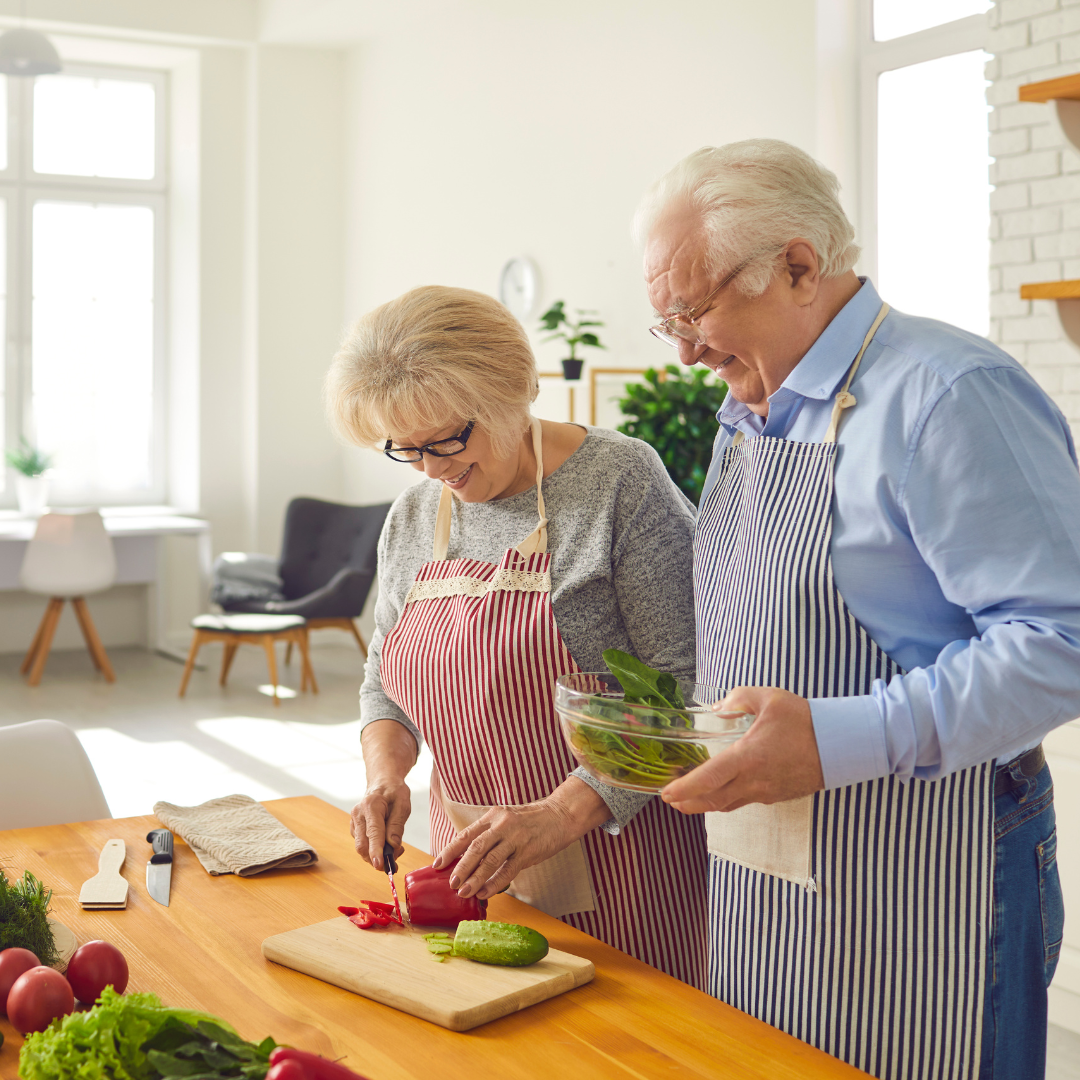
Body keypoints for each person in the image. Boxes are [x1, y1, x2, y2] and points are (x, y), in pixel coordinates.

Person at [632, 140, 1073, 1080]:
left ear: (798, 266)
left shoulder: (949, 394)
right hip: (769, 863)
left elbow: (1060, 642)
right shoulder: (757, 406)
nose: (683, 349)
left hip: (937, 859)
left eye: (696, 309)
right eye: (663, 318)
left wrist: (836, 740)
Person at [325, 284, 707, 987]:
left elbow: (684, 691)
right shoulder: (413, 517)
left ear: (512, 390)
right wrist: (386, 775)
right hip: (472, 874)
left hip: (623, 866)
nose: (433, 469)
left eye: (446, 439)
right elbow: (387, 683)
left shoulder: (619, 483)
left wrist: (559, 815)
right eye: (405, 450)